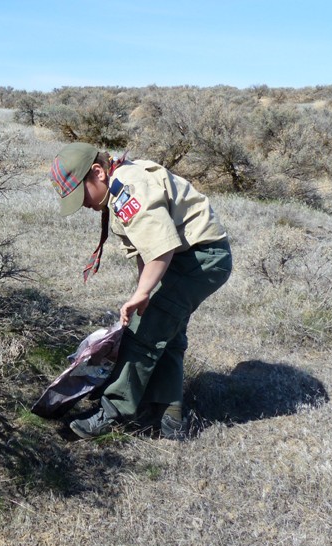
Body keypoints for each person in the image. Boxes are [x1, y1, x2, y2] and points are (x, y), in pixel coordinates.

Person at [49, 142, 232, 440]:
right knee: (166, 331)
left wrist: (143, 294)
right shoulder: (120, 181)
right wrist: (144, 289)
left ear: (98, 172)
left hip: (199, 259)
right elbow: (146, 250)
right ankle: (168, 413)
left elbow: (161, 248)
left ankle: (111, 413)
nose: (81, 203)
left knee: (143, 332)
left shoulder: (127, 189)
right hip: (190, 257)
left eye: (80, 193)